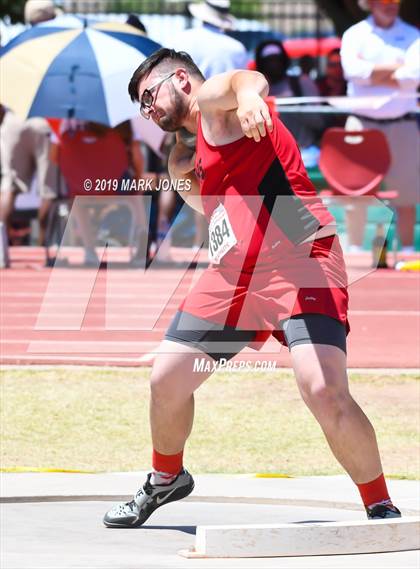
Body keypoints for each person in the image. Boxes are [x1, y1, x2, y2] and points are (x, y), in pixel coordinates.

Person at [103, 48, 401, 528]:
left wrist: (249, 98)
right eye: (140, 105)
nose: (148, 109)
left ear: (180, 79)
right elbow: (211, 209)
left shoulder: (215, 101)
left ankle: (380, 503)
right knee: (167, 379)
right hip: (236, 275)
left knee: (323, 388)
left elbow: (244, 81)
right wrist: (184, 173)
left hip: (300, 258)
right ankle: (166, 478)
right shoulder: (187, 148)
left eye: (149, 95)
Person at [340, 0, 420, 250]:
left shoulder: (413, 35)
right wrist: (397, 70)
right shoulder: (355, 34)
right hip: (362, 123)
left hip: (403, 124)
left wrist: (372, 73)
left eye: (395, 0)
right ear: (370, 4)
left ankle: (407, 250)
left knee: (407, 193)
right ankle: (354, 251)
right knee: (355, 192)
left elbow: (414, 77)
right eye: (385, 0)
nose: (391, 5)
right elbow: (352, 71)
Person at [0, 0, 61, 253]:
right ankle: (44, 249)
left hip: (13, 119)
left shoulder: (14, 44)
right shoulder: (57, 45)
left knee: (9, 186)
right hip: (44, 120)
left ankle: (1, 250)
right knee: (49, 190)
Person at [255, 40, 323, 166]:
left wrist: (293, 106)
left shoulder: (302, 83)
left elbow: (318, 121)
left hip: (304, 153)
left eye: (277, 59)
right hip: (269, 156)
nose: (274, 64)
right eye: (269, 60)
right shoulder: (254, 90)